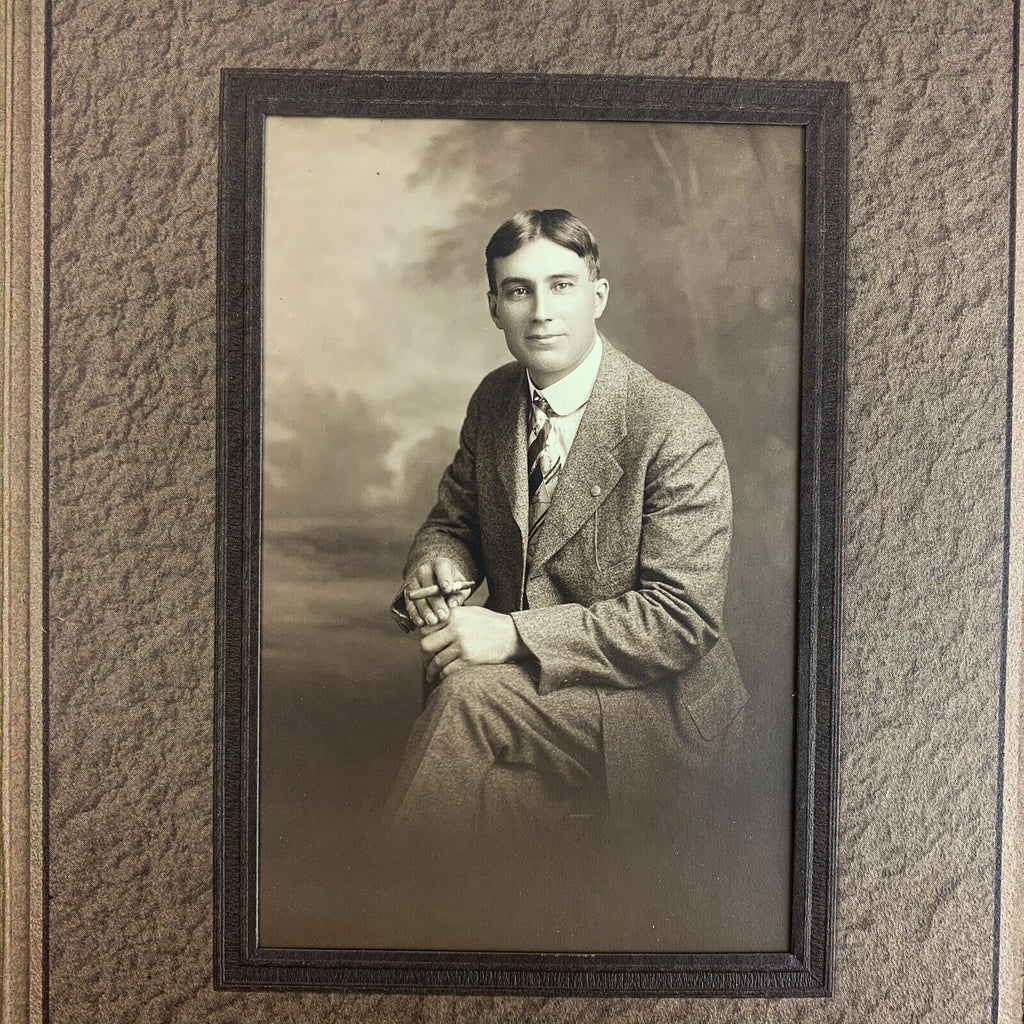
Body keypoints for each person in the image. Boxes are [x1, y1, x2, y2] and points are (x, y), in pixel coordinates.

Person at [383, 209, 747, 842]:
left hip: (655, 704)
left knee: (467, 698)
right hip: (539, 693)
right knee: (491, 800)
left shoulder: (670, 425)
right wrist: (438, 565)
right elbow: (454, 523)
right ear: (494, 307)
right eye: (518, 290)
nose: (541, 311)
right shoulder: (496, 399)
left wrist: (513, 635)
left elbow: (680, 621)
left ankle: (372, 917)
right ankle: (427, 920)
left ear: (598, 296)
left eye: (562, 285)